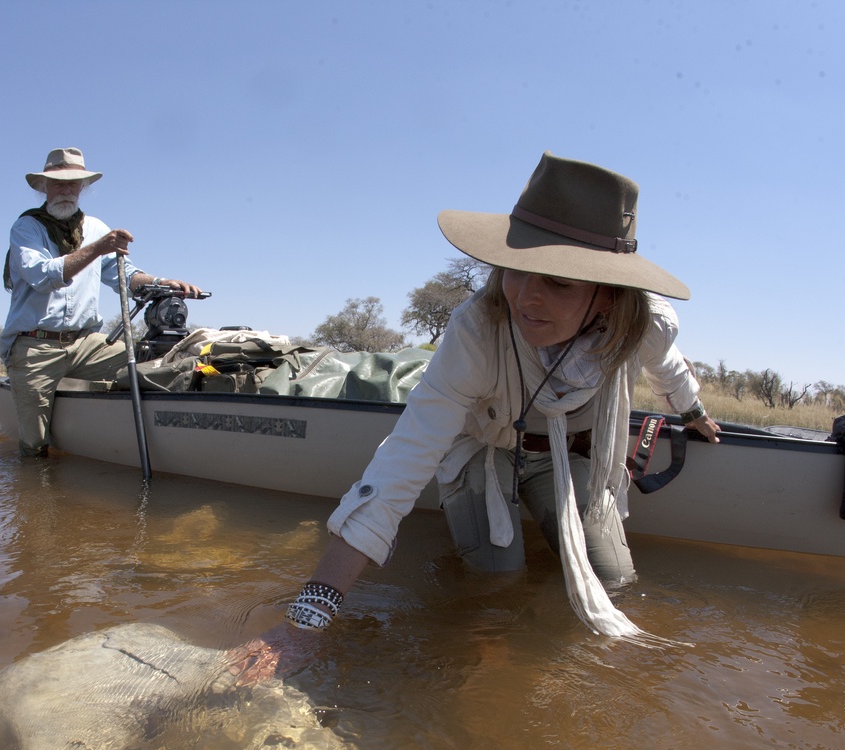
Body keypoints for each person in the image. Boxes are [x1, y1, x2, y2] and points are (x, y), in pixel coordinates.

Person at [231, 152, 721, 680]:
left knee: (613, 582)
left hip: (567, 455)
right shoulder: (476, 330)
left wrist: (693, 414)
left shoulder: (645, 326)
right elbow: (403, 461)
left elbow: (669, 374)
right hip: (482, 451)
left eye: (559, 282)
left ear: (609, 296)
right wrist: (304, 622)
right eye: (517, 269)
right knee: (496, 585)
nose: (526, 297)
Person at [1, 147, 203, 457]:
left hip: (86, 342)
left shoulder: (95, 228)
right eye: (58, 183)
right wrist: (97, 248)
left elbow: (124, 276)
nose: (66, 190)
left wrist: (162, 283)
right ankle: (35, 494)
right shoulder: (26, 228)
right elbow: (44, 275)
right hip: (35, 346)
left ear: (82, 187)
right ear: (44, 187)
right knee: (34, 446)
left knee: (151, 364)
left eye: (73, 184)